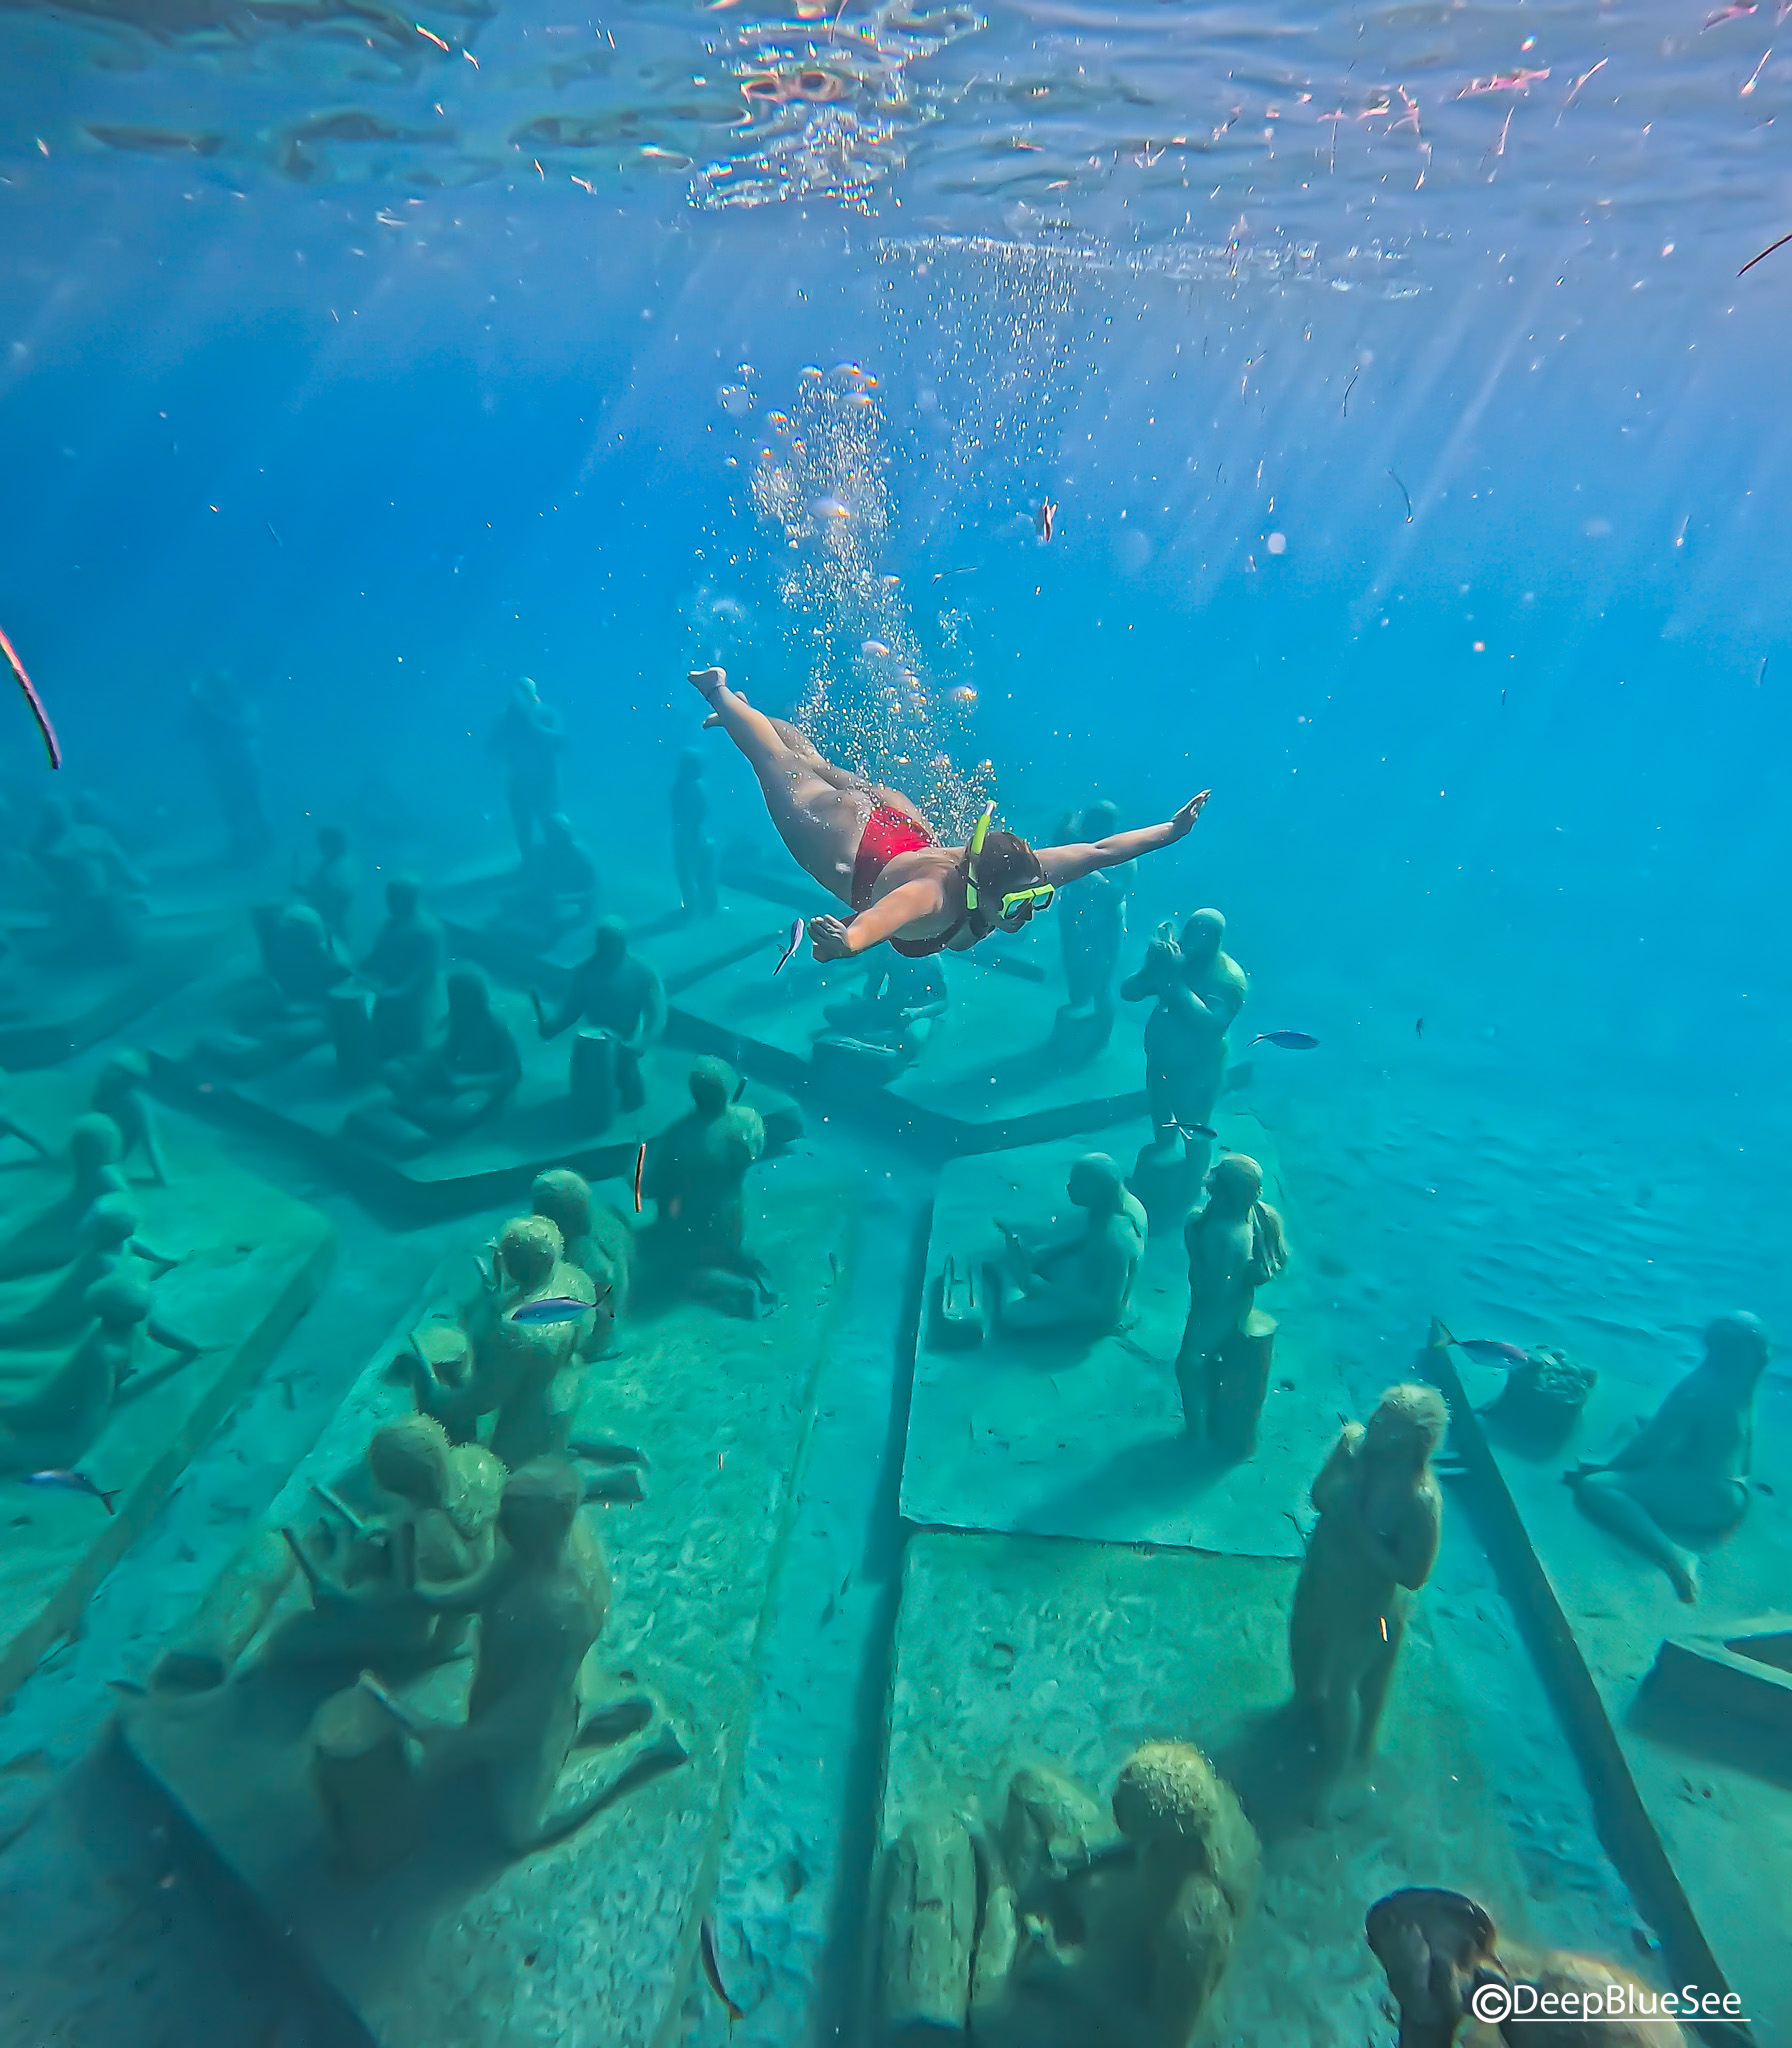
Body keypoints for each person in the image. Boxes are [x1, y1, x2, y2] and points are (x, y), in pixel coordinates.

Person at [688, 667, 1207, 962]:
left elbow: (1097, 853)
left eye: (1036, 900)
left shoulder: (1013, 870)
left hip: (901, 826)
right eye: (1019, 905)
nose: (1028, 913)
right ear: (983, 892)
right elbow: (877, 922)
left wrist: (1170, 831)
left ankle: (746, 716)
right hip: (852, 845)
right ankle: (720, 691)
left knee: (811, 767)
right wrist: (847, 942)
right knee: (777, 767)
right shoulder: (932, 897)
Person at [1566, 1312, 1768, 1603]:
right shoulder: (1744, 1384)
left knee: (1598, 1486)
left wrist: (1609, 1468)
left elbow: (1651, 1444)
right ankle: (1625, 1470)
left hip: (1709, 1503)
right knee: (1637, 1422)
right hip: (1735, 1493)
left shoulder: (1700, 1387)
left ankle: (1676, 1558)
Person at [490, 676, 566, 864]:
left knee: (550, 823)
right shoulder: (506, 718)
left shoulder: (547, 714)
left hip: (545, 782)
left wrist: (532, 725)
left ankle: (556, 865)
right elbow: (491, 746)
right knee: (523, 828)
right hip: (519, 783)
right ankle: (529, 866)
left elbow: (560, 742)